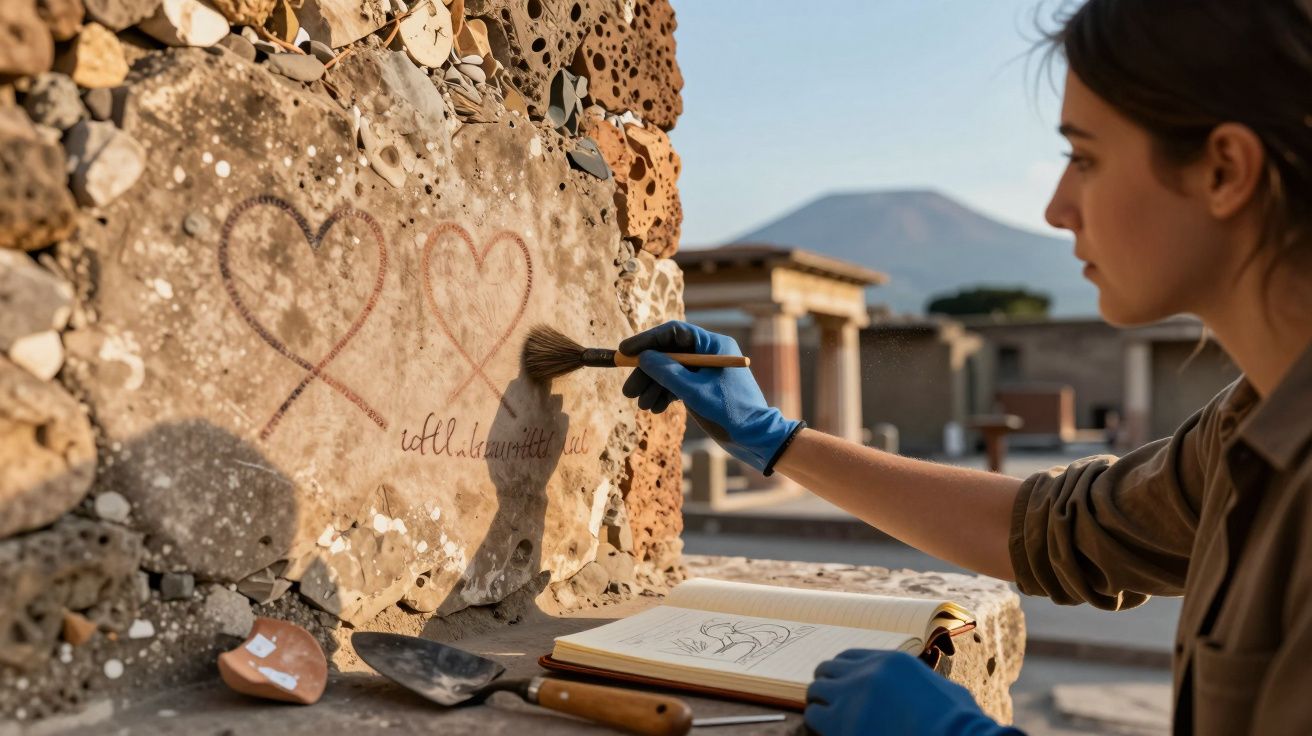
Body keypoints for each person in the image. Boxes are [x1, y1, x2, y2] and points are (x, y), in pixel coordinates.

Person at [618, 1, 1312, 733]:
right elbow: (1058, 530)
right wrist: (775, 437)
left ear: (1225, 170)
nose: (1056, 207)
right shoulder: (1249, 425)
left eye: (1085, 157)